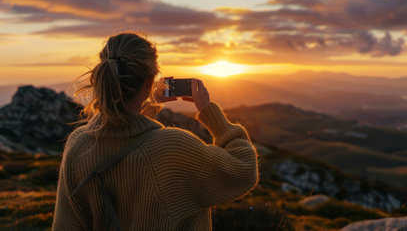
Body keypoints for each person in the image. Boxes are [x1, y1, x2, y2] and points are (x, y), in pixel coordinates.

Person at [52, 32, 259, 231]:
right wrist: (209, 112)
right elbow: (244, 169)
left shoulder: (78, 145)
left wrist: (148, 107)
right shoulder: (172, 148)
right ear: (150, 82)